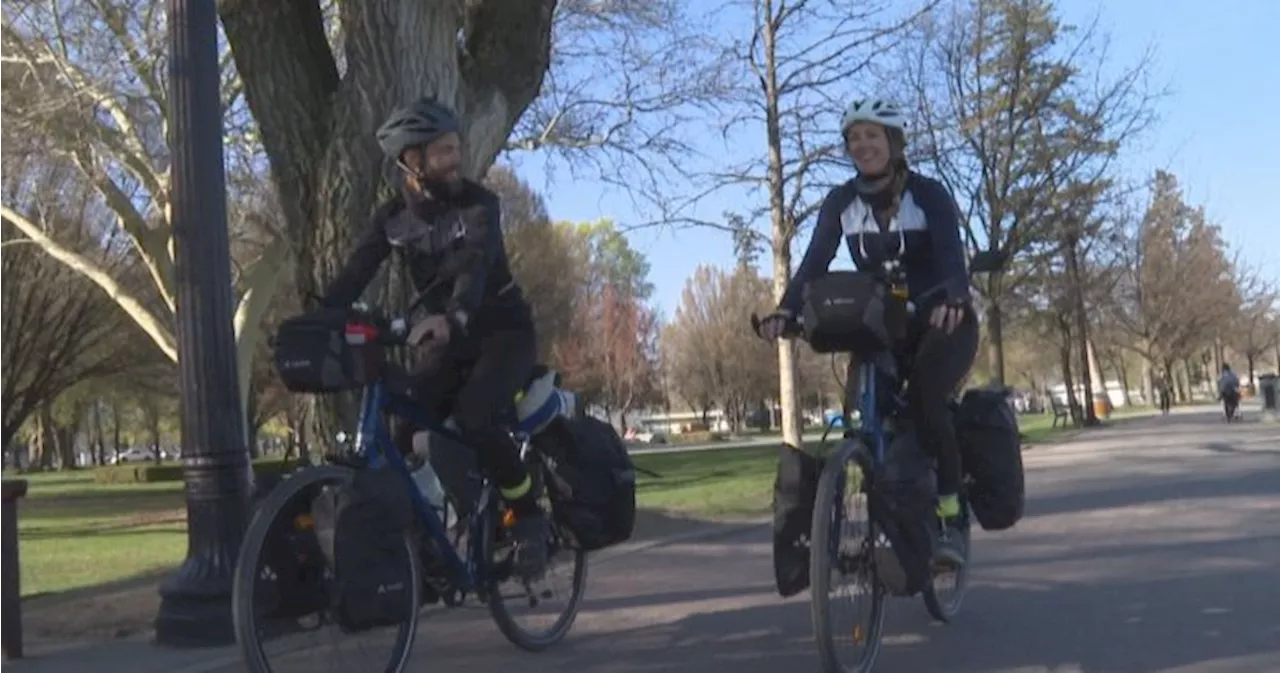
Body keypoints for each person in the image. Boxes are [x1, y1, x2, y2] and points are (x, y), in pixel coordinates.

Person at [321, 97, 546, 579]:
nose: (455, 158)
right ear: (411, 162)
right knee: (402, 425)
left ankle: (527, 514)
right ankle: (425, 543)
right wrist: (321, 316)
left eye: (455, 147)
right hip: (443, 343)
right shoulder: (392, 220)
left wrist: (454, 315)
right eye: (442, 152)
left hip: (502, 332)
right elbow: (357, 270)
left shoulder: (479, 204)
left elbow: (475, 265)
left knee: (474, 416)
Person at [757, 99, 977, 567]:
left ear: (894, 143)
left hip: (942, 323)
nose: (862, 146)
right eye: (854, 138)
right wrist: (786, 311)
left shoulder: (929, 195)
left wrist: (954, 300)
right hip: (884, 326)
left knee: (927, 401)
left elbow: (953, 262)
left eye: (872, 136)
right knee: (863, 410)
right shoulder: (841, 202)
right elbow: (814, 263)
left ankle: (951, 512)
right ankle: (875, 508)